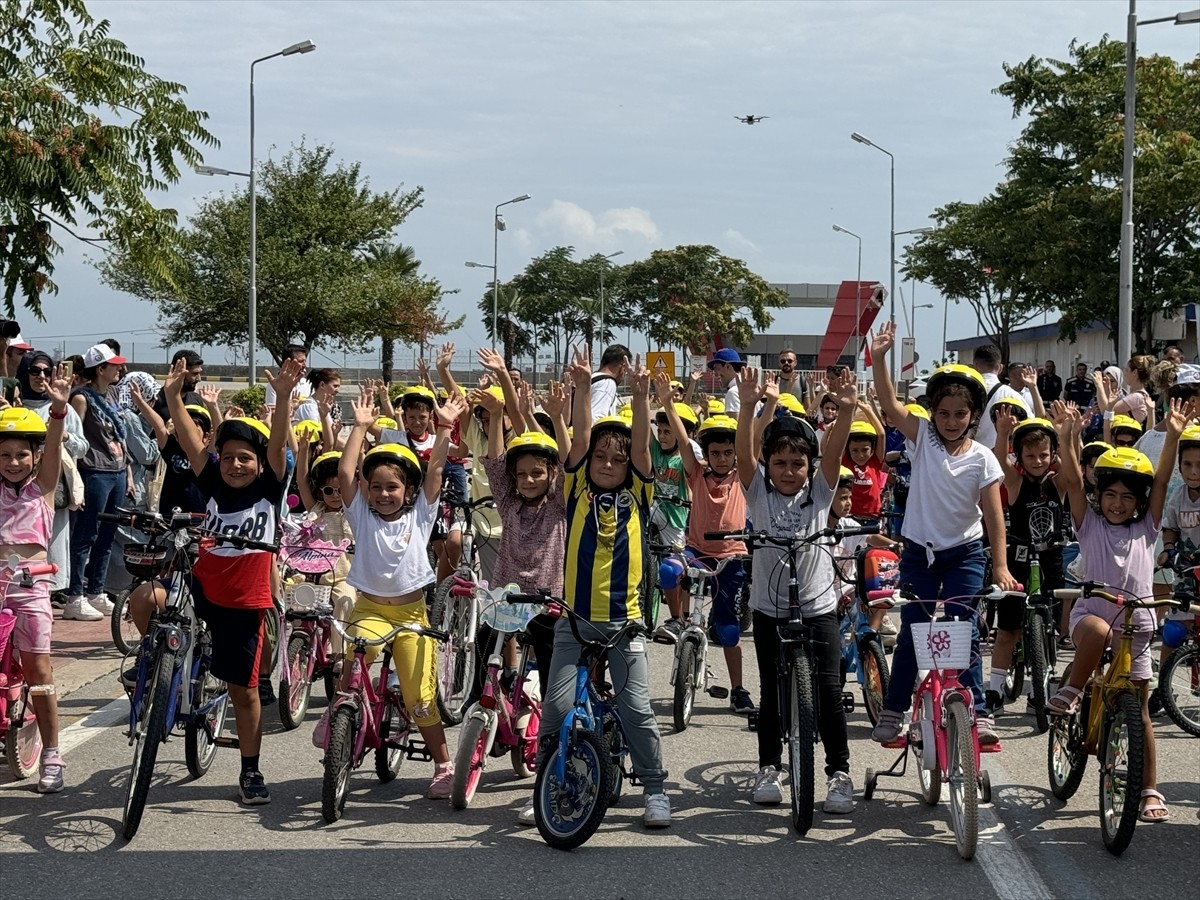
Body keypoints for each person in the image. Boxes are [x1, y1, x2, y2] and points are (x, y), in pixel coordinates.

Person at [127, 357, 301, 805]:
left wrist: (282, 398)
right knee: (144, 599)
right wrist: (171, 396)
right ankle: (153, 672)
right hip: (201, 586)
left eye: (246, 458)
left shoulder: (270, 487)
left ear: (262, 464)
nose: (236, 465)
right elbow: (186, 436)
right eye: (229, 458)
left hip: (245, 601)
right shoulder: (212, 480)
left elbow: (279, 443)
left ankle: (250, 769)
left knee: (243, 692)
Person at [869, 323, 1018, 747]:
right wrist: (879, 358)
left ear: (974, 417)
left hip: (965, 555)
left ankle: (978, 711)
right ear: (932, 412)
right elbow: (889, 403)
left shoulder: (984, 459)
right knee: (916, 628)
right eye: (943, 412)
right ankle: (896, 707)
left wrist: (1001, 567)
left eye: (960, 414)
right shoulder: (923, 440)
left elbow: (994, 518)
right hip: (919, 553)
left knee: (963, 629)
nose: (951, 421)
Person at [543, 345, 672, 828]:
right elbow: (577, 440)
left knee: (636, 709)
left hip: (625, 624)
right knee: (555, 708)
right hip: (573, 621)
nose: (609, 463)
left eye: (617, 459)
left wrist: (640, 397)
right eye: (602, 456)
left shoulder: (638, 492)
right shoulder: (576, 488)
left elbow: (640, 447)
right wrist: (580, 388)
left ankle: (655, 789)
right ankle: (548, 782)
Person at [1050, 400, 1185, 823]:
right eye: (1110, 495)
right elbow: (1072, 480)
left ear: (1140, 502)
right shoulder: (1088, 523)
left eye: (1128, 497)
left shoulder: (1147, 526)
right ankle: (1073, 691)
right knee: (1094, 631)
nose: (1118, 504)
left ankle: (1148, 788)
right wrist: (1068, 435)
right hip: (1093, 614)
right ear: (1098, 496)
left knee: (1139, 710)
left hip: (1139, 622)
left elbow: (1161, 479)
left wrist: (1174, 436)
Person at [329, 384, 466, 799]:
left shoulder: (421, 514)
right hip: (369, 611)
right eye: (376, 487)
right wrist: (361, 427)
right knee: (350, 666)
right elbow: (344, 473)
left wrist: (444, 428)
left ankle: (442, 763)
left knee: (419, 697)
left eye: (393, 488)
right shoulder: (360, 512)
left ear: (409, 491)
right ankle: (341, 714)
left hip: (410, 618)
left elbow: (438, 471)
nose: (384, 494)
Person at [735, 362, 859, 813]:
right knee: (771, 689)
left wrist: (845, 412)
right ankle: (769, 766)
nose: (788, 471)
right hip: (770, 608)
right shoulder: (757, 493)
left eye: (797, 463)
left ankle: (839, 773)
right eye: (780, 463)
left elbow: (836, 449)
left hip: (818, 604)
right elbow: (744, 452)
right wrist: (748, 406)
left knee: (828, 693)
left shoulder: (821, 492)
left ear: (810, 466)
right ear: (769, 464)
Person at [476, 383, 566, 825]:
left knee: (555, 691)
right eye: (521, 474)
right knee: (483, 650)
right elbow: (496, 461)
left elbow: (561, 456)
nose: (527, 480)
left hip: (549, 603)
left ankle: (549, 771)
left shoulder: (561, 504)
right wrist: (496, 415)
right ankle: (491, 708)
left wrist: (530, 409)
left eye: (537, 473)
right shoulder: (508, 501)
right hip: (508, 599)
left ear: (551, 475)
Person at [656, 383, 753, 717]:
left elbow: (749, 443)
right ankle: (677, 620)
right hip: (696, 551)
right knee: (668, 570)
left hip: (731, 557)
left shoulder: (742, 476)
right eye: (715, 453)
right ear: (706, 455)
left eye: (728, 453)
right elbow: (683, 442)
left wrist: (752, 405)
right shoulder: (696, 473)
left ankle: (738, 690)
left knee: (727, 629)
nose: (722, 458)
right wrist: (669, 405)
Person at [0, 367, 71, 791]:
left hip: (31, 586)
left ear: (35, 456)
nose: (13, 462)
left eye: (21, 454)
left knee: (40, 672)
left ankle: (52, 754)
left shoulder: (41, 487)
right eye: (4, 455)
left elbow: (55, 439)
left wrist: (59, 409)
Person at [987, 414, 1065, 718]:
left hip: (1050, 557)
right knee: (1008, 629)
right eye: (1030, 455)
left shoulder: (1057, 483)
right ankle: (994, 688)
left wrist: (1066, 432)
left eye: (1044, 455)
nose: (1037, 461)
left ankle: (1039, 688)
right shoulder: (1017, 481)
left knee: (1051, 626)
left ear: (1053, 454)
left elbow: (1073, 471)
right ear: (1018, 456)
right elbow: (998, 463)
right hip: (1018, 557)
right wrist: (1003, 433)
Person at [63, 343, 130, 621]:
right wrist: (75, 476)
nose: (119, 369)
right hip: (94, 472)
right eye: (113, 365)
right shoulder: (82, 398)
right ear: (100, 369)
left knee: (107, 534)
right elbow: (75, 437)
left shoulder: (112, 393)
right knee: (86, 534)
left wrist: (127, 473)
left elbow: (118, 436)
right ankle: (75, 595)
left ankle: (96, 591)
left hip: (116, 470)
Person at [16, 352, 87, 596]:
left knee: (51, 545)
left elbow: (83, 446)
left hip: (49, 489)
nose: (41, 376)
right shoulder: (14, 404)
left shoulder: (61, 406)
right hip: (13, 492)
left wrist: (62, 435)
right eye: (35, 371)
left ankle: (43, 598)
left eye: (47, 371)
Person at [648, 391, 701, 644]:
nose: (662, 436)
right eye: (660, 431)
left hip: (678, 516)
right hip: (656, 507)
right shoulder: (655, 449)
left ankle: (681, 616)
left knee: (679, 568)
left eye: (668, 431)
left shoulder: (688, 453)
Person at [972, 344, 1025, 449]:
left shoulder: (963, 392)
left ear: (975, 365)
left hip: (966, 455)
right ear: (1000, 368)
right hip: (998, 457)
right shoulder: (1012, 395)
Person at [150, 349, 204, 422]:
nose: (199, 379)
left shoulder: (196, 399)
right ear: (178, 371)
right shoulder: (156, 401)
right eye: (194, 374)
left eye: (199, 373)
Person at [589, 344, 631, 420]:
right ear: (623, 367)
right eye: (626, 371)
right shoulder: (607, 383)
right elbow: (595, 418)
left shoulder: (592, 379)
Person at [264, 344, 310, 408]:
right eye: (300, 361)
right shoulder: (275, 385)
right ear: (288, 362)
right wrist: (291, 406)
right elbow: (272, 413)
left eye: (304, 361)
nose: (304, 365)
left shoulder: (307, 384)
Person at [707, 348, 746, 416]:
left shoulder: (733, 392)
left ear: (728, 366)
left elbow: (735, 425)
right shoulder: (750, 389)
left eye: (717, 368)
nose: (716, 374)